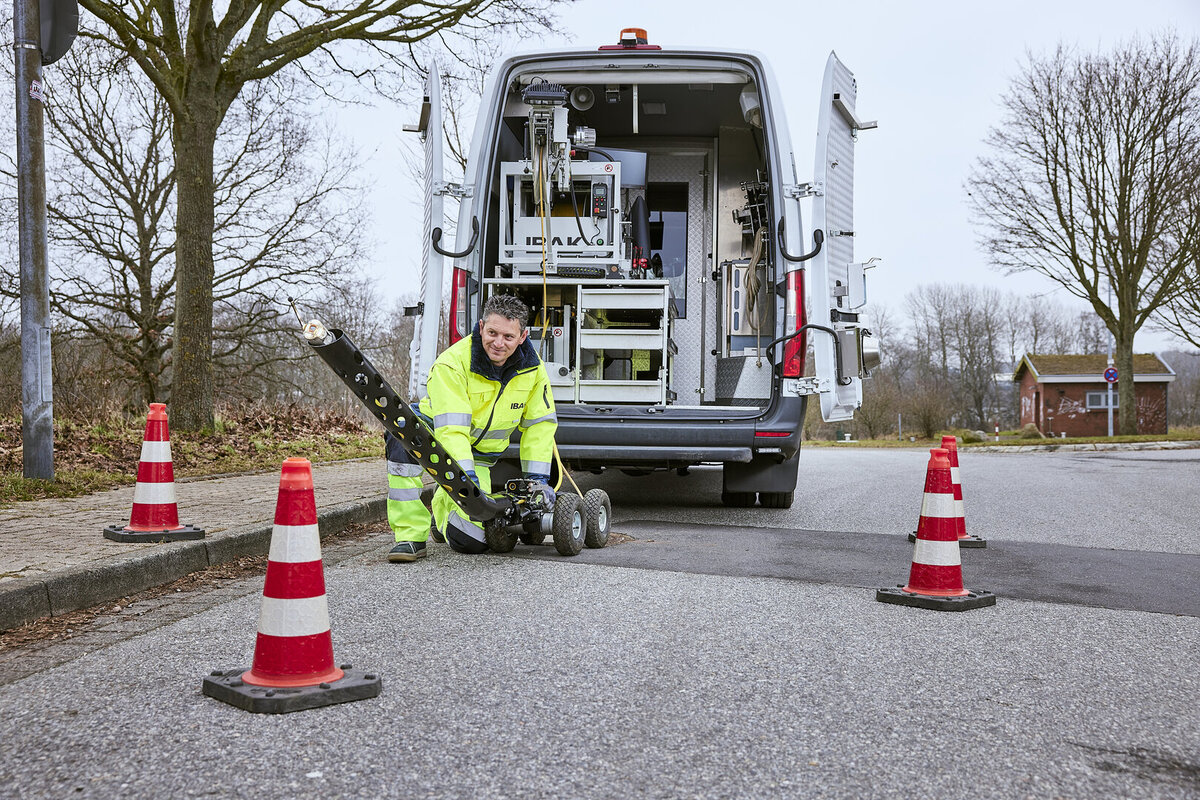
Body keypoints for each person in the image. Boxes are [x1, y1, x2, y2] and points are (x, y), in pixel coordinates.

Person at [384, 294, 557, 561]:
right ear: (480, 327)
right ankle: (410, 536)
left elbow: (539, 426)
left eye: (508, 337)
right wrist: (466, 484)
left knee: (471, 541)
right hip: (438, 436)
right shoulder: (452, 364)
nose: (498, 343)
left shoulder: (534, 370)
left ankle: (441, 515)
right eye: (492, 332)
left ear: (522, 337)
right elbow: (453, 430)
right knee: (403, 436)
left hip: (480, 457)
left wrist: (537, 482)